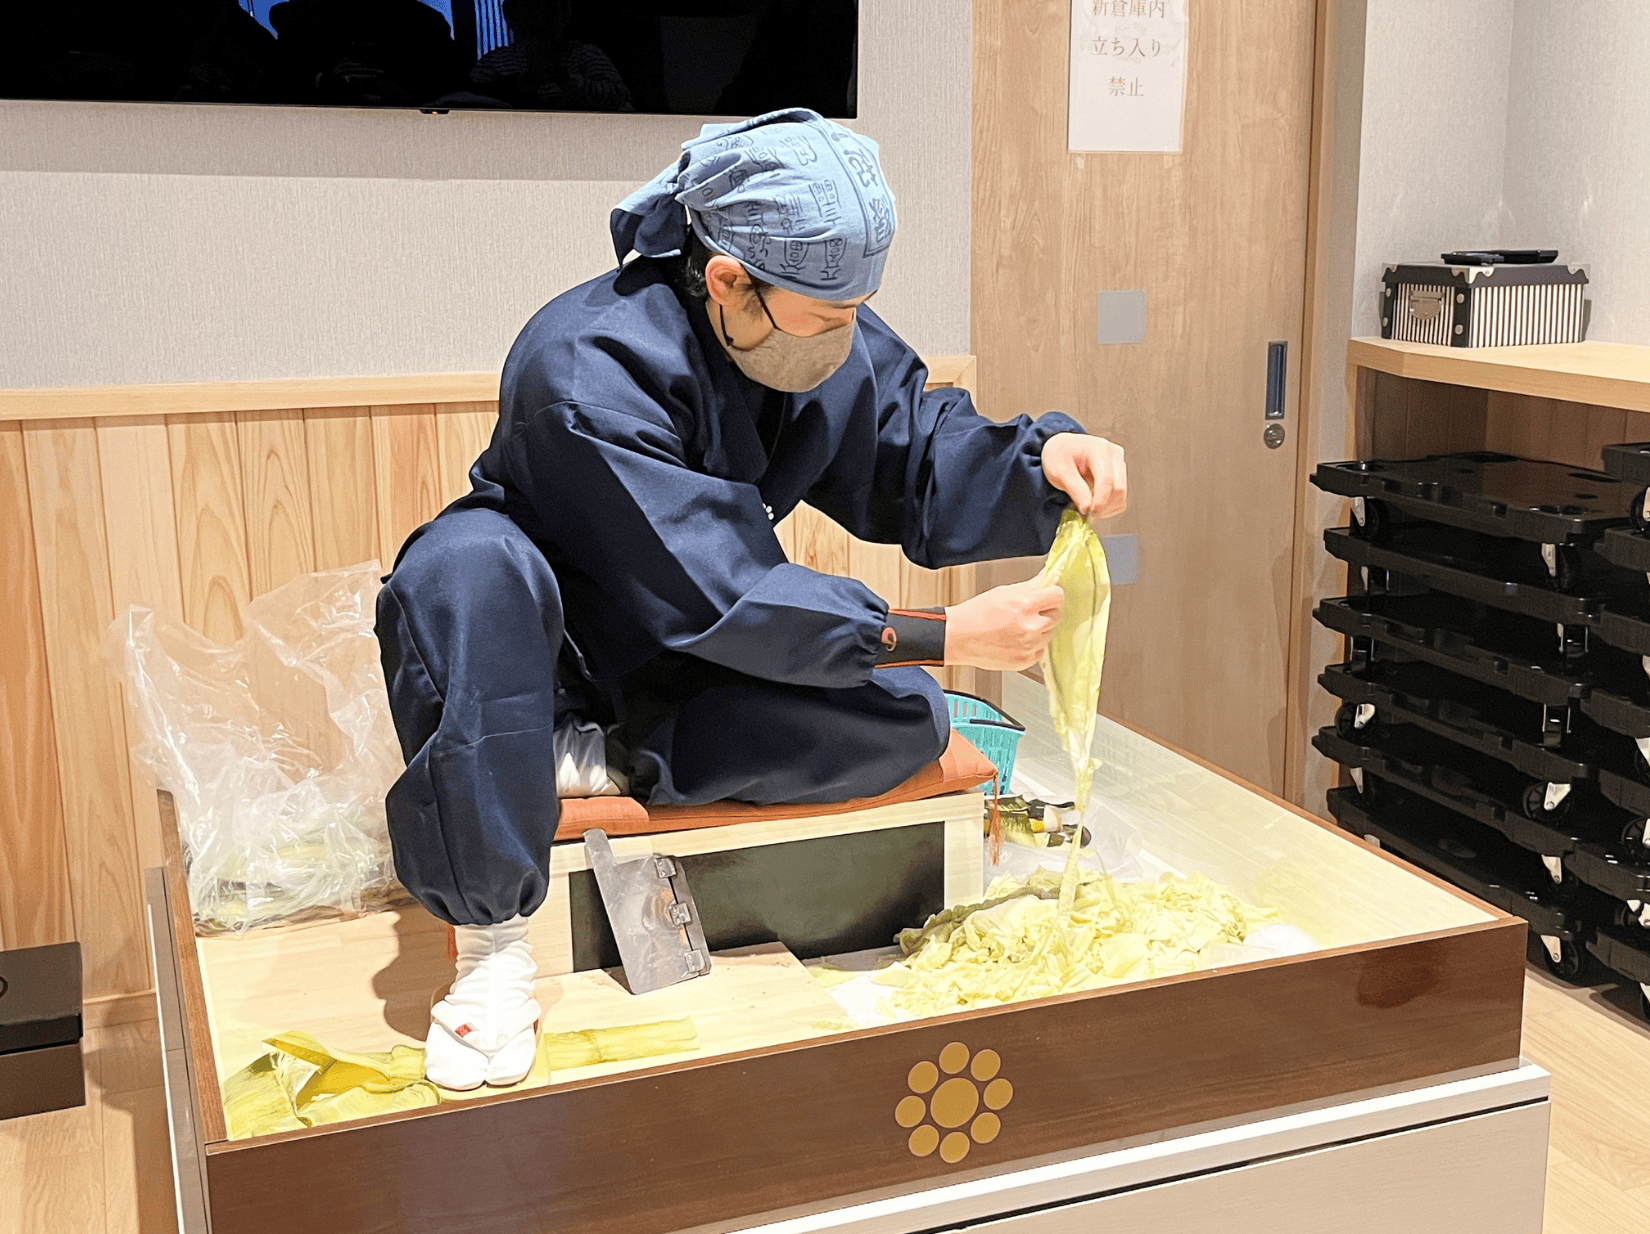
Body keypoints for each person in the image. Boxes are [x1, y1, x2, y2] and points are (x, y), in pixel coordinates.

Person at [376, 108, 1127, 1089]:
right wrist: (945, 630)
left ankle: (594, 759)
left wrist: (1041, 465)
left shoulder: (804, 322)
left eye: (859, 311)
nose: (846, 340)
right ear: (727, 279)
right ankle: (490, 950)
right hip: (546, 628)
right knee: (470, 575)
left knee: (902, 719)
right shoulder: (581, 367)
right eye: (827, 317)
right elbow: (719, 589)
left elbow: (914, 442)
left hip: (680, 637)